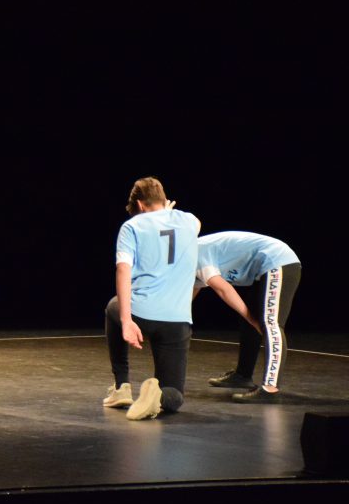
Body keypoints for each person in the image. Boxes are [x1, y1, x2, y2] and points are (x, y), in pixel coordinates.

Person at [102, 177, 200, 420]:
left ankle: (122, 386)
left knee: (111, 307)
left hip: (141, 313)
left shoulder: (132, 226)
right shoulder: (188, 220)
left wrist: (126, 320)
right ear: (164, 200)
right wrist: (167, 213)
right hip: (177, 321)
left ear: (141, 205)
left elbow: (123, 269)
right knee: (175, 394)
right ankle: (157, 396)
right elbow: (194, 225)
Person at [194, 231, 302, 403]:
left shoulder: (196, 252)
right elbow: (193, 289)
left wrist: (253, 320)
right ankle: (242, 375)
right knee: (249, 321)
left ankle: (270, 389)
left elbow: (223, 289)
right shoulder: (188, 260)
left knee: (270, 323)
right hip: (262, 270)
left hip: (278, 261)